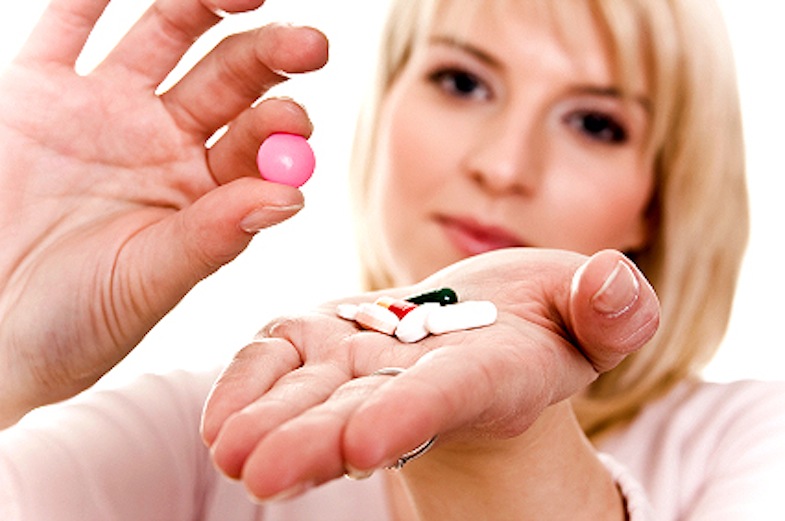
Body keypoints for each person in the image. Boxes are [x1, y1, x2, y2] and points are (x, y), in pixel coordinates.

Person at [0, 1, 782, 521]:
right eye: (462, 80)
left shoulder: (748, 442)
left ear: (660, 192)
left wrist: (503, 433)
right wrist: (10, 343)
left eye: (594, 123)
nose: (504, 165)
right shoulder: (203, 440)